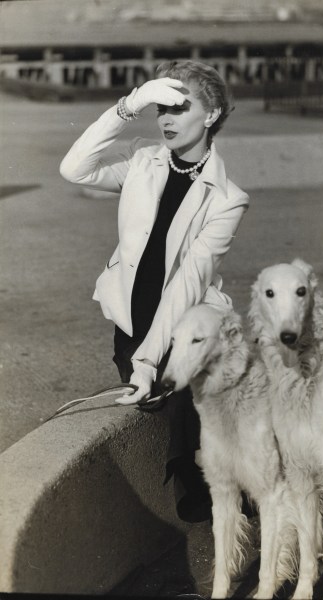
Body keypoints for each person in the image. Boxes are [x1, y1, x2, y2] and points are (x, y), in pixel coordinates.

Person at [60, 60, 249, 522]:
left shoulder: (227, 198)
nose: (164, 119)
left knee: (188, 397)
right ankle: (230, 504)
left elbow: (187, 284)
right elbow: (74, 170)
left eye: (178, 109)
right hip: (132, 323)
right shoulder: (142, 162)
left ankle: (223, 504)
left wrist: (148, 360)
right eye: (159, 108)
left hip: (185, 325)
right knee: (171, 405)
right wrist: (128, 107)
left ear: (211, 115)